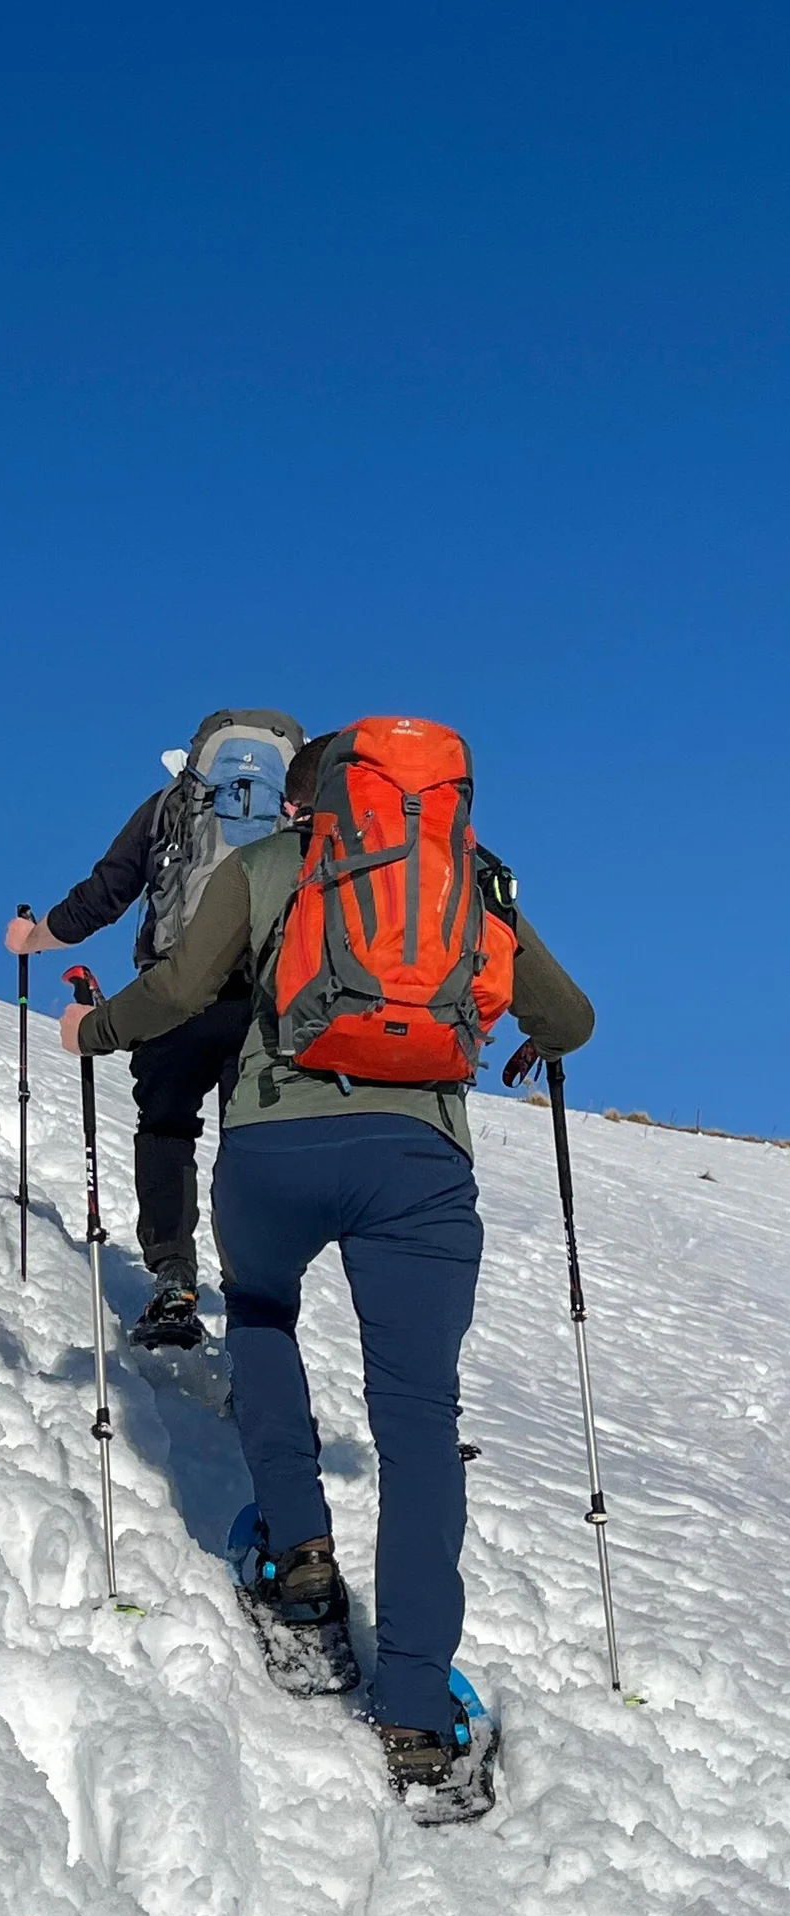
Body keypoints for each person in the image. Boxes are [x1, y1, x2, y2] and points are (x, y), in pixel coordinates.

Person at [59, 720, 593, 1807]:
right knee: (415, 1420)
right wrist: (531, 1038)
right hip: (421, 1166)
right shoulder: (465, 877)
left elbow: (176, 991)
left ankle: (299, 1564)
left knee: (259, 1310)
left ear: (308, 803)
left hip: (273, 1149)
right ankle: (414, 1708)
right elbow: (570, 1016)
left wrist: (92, 1030)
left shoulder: (267, 867)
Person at [6, 708, 304, 1350]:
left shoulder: (173, 805)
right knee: (248, 1148)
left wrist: (36, 938)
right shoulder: (299, 819)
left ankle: (174, 1279)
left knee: (166, 1129)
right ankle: (253, 1300)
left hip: (174, 997)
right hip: (268, 1010)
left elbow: (108, 891)